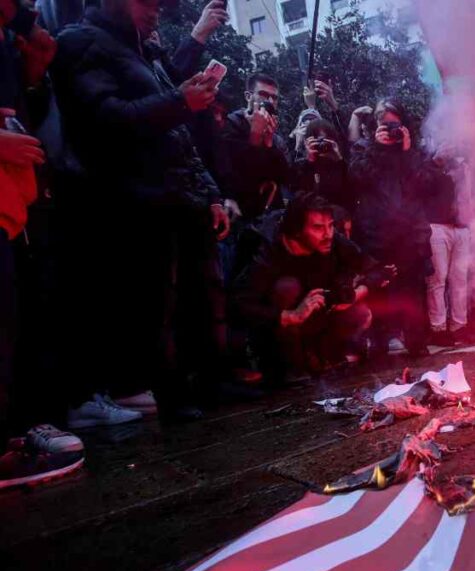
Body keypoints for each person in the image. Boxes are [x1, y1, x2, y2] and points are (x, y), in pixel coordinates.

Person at [52, 0, 230, 421]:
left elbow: (180, 136)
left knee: (195, 294)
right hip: (133, 196)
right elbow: (104, 120)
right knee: (151, 300)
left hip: (176, 193)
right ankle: (152, 388)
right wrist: (179, 101)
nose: (156, 11)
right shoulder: (79, 42)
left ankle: (202, 382)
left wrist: (211, 194)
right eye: (146, 1)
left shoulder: (143, 54)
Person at [0, 0, 85, 487]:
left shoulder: (10, 45)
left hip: (15, 205)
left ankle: (15, 432)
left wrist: (33, 70)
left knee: (19, 316)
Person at [233, 193, 385, 381]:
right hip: (276, 328)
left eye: (330, 225)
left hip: (319, 317)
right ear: (296, 230)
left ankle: (324, 356)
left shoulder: (331, 240)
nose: (328, 234)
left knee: (358, 312)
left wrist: (355, 293)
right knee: (287, 288)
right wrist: (290, 316)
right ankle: (286, 365)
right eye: (318, 227)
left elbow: (379, 270)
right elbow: (240, 303)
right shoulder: (266, 251)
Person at [348, 99, 433, 357]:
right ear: (376, 125)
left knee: (413, 291)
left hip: (409, 235)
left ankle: (416, 343)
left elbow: (426, 185)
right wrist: (377, 148)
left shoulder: (414, 152)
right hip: (376, 234)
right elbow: (355, 178)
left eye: (396, 124)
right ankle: (379, 345)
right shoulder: (365, 148)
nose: (391, 129)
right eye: (385, 124)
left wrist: (407, 152)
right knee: (379, 291)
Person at [220, 73, 289, 220]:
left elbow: (283, 176)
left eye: (274, 97)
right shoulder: (231, 124)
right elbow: (235, 173)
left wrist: (269, 142)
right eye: (264, 95)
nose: (270, 101)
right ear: (248, 96)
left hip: (269, 213)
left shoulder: (276, 134)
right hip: (239, 212)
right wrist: (256, 136)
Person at [423, 148, 470, 346]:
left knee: (459, 278)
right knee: (437, 279)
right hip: (437, 226)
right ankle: (438, 328)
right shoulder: (428, 161)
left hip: (462, 226)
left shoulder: (465, 161)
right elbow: (419, 186)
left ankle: (459, 326)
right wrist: (436, 162)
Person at [291, 118, 351, 210]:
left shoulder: (340, 164)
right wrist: (310, 161)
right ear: (308, 141)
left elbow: (350, 191)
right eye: (318, 141)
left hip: (337, 215)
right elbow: (299, 194)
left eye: (326, 140)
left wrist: (339, 159)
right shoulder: (301, 165)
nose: (322, 145)